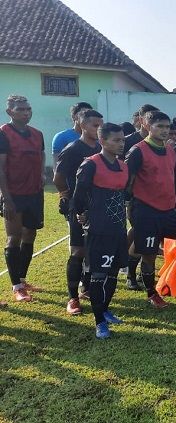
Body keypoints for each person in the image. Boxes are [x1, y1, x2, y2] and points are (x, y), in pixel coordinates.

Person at [125, 110, 176, 307]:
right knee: (149, 254)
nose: (164, 131)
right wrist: (130, 208)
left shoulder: (171, 151)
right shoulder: (137, 151)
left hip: (168, 210)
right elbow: (127, 182)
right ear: (146, 125)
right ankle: (152, 293)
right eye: (159, 126)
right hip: (145, 211)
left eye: (167, 127)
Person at [71, 123, 129, 338]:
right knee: (98, 275)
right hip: (99, 229)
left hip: (118, 229)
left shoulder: (124, 166)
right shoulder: (91, 164)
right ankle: (99, 323)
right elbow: (78, 196)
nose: (121, 143)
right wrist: (81, 214)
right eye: (116, 140)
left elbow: (125, 195)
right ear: (102, 141)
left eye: (123, 140)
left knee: (113, 273)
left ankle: (104, 310)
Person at [54, 109, 104, 315]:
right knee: (78, 251)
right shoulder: (73, 149)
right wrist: (68, 197)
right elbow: (58, 178)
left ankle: (89, 289)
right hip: (79, 208)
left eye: (101, 125)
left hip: (100, 207)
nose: (99, 129)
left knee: (95, 249)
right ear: (83, 125)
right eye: (95, 125)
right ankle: (73, 298)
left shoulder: (103, 147)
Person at [0, 95, 45, 302]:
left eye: (28, 109)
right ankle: (16, 286)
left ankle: (23, 279)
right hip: (13, 194)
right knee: (14, 238)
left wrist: (42, 174)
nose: (26, 112)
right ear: (10, 112)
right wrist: (6, 198)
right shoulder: (3, 134)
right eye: (20, 109)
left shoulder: (37, 134)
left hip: (34, 193)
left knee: (30, 235)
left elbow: (42, 154)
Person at [123, 104, 160, 290]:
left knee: (142, 236)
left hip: (158, 201)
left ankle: (138, 270)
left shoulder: (160, 143)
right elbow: (123, 171)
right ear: (140, 119)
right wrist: (127, 195)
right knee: (139, 236)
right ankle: (130, 273)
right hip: (137, 199)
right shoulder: (130, 142)